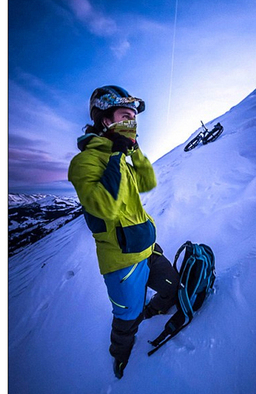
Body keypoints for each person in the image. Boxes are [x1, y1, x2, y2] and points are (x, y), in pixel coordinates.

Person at [68, 86, 179, 379]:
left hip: (148, 248)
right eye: (124, 115)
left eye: (133, 117)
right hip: (121, 262)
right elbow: (105, 207)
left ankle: (154, 310)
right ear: (106, 120)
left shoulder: (123, 158)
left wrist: (134, 149)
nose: (132, 121)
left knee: (171, 287)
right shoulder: (84, 163)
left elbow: (147, 181)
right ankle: (120, 356)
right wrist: (117, 153)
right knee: (126, 318)